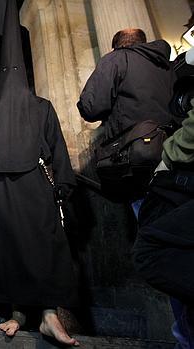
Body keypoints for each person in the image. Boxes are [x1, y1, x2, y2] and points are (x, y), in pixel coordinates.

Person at [0, 0, 78, 345]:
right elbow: (59, 152)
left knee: (15, 248)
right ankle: (26, 315)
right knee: (29, 247)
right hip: (31, 187)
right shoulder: (40, 106)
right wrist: (64, 185)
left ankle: (39, 316)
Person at [77, 28, 177, 205]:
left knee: (145, 213)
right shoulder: (167, 66)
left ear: (117, 45)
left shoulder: (116, 59)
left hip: (135, 156)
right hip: (173, 148)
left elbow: (90, 108)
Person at [133, 93, 194, 348]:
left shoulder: (117, 62)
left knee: (151, 249)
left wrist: (168, 156)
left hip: (170, 175)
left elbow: (91, 104)